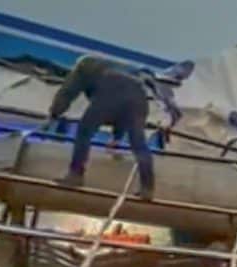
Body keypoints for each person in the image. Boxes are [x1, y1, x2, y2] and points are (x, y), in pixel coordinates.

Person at [48, 55, 156, 199]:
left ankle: (75, 175)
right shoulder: (116, 69)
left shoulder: (83, 67)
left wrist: (55, 112)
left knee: (84, 131)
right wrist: (117, 137)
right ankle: (147, 188)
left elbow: (68, 91)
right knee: (139, 143)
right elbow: (124, 109)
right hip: (139, 98)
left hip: (109, 93)